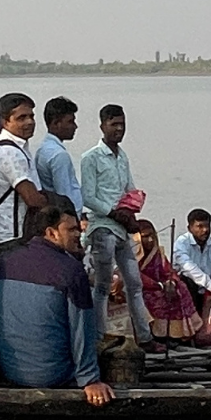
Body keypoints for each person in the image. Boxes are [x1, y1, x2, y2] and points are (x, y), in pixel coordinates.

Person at [0, 206, 115, 405]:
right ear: (51, 233)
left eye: (79, 230)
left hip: (8, 370)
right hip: (50, 375)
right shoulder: (71, 271)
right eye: (71, 230)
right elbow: (81, 330)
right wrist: (90, 380)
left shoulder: (5, 261)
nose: (78, 234)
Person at [78, 104, 150, 348]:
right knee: (103, 286)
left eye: (122, 124)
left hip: (120, 228)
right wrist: (113, 212)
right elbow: (87, 196)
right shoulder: (91, 158)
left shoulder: (123, 156)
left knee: (135, 283)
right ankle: (98, 337)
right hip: (102, 228)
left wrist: (130, 211)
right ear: (102, 126)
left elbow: (129, 188)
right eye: (114, 124)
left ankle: (145, 336)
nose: (119, 129)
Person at [0, 92, 49, 251]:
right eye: (21, 118)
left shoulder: (12, 148)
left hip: (3, 235)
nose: (30, 122)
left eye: (31, 116)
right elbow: (32, 199)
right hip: (10, 237)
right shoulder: (10, 153)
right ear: (5, 122)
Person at [130, 221, 199, 342]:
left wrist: (171, 282)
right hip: (142, 289)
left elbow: (168, 270)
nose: (150, 240)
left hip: (160, 286)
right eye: (145, 236)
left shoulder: (158, 253)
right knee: (154, 298)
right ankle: (157, 335)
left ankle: (176, 334)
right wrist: (157, 285)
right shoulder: (131, 255)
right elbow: (135, 274)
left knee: (181, 288)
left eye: (152, 236)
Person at [35, 96, 81, 214]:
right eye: (70, 121)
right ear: (56, 123)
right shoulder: (58, 155)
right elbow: (65, 194)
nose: (75, 126)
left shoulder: (43, 149)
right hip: (66, 215)